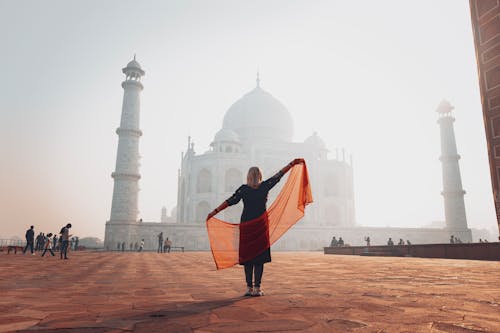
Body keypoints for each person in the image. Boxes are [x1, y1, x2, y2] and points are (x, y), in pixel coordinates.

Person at [207, 158, 304, 297]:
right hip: (260, 225)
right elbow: (278, 176)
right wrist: (291, 164)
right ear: (260, 176)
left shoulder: (244, 189)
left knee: (248, 257)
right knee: (259, 257)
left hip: (247, 224)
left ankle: (248, 288)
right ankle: (257, 288)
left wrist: (214, 211)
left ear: (248, 176)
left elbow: (230, 201)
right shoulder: (264, 186)